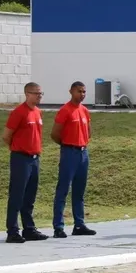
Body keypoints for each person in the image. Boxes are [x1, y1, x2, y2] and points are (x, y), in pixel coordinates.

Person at [3, 83, 49, 243]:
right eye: (36, 93)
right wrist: (16, 148)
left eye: (40, 93)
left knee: (30, 196)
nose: (39, 96)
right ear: (27, 94)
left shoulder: (37, 112)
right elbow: (6, 135)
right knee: (17, 195)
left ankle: (29, 229)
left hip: (35, 159)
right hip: (20, 158)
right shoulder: (18, 112)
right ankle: (12, 231)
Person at [50, 81, 96, 238]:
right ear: (71, 91)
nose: (82, 94)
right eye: (79, 91)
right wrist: (67, 145)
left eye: (84, 92)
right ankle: (58, 226)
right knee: (63, 189)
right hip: (69, 152)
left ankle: (79, 224)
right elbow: (55, 134)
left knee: (79, 191)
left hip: (83, 153)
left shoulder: (84, 111)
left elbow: (88, 132)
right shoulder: (65, 110)